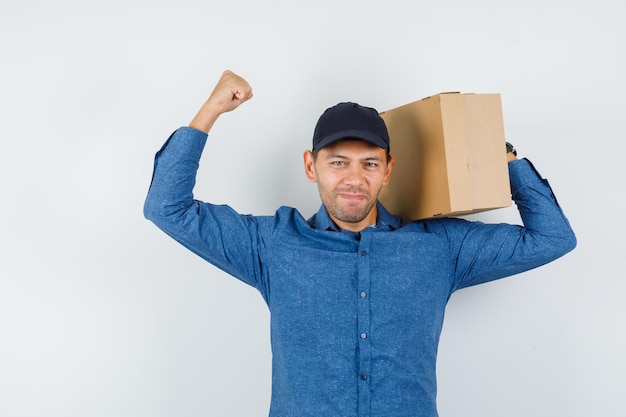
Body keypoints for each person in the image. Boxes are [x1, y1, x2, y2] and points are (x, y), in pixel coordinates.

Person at [144, 70, 576, 417]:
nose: (354, 178)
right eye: (338, 162)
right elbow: (167, 207)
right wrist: (211, 110)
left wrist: (499, 153)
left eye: (369, 163)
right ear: (311, 167)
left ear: (388, 170)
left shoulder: (440, 247)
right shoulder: (272, 244)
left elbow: (553, 237)